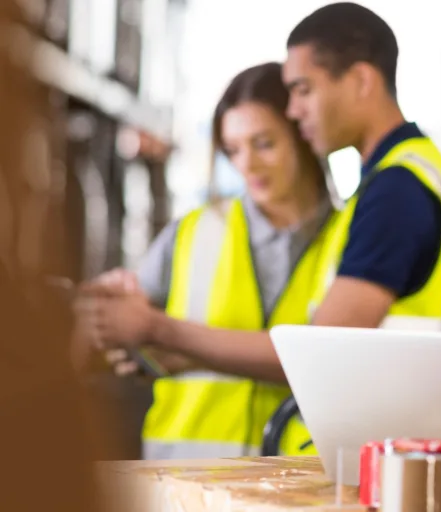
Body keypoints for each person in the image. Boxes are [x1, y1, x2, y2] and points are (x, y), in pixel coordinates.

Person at [77, 62, 341, 459]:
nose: (246, 164)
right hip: (185, 474)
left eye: (263, 143)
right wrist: (116, 317)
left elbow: (328, 364)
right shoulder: (193, 231)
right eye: (233, 149)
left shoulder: (350, 240)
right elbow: (125, 342)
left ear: (303, 135)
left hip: (298, 480)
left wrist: (164, 334)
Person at [282, 2, 441, 332]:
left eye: (304, 90)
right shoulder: (397, 173)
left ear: (361, 80)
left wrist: (182, 336)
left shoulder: (397, 191)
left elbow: (325, 346)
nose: (293, 110)